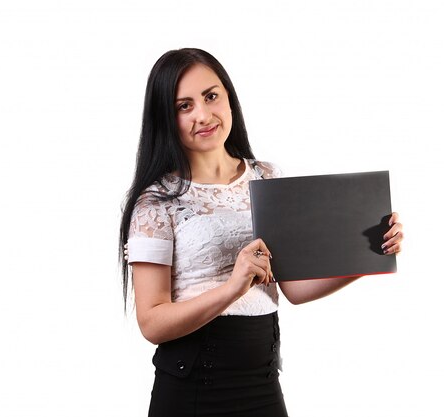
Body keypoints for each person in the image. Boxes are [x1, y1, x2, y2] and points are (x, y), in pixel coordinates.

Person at [118, 48, 403, 417]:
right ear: (165, 118)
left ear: (228, 97)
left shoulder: (266, 177)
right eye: (183, 106)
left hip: (262, 383)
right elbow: (152, 322)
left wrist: (367, 255)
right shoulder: (155, 202)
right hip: (191, 390)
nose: (203, 115)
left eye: (210, 96)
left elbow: (293, 289)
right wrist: (233, 287)